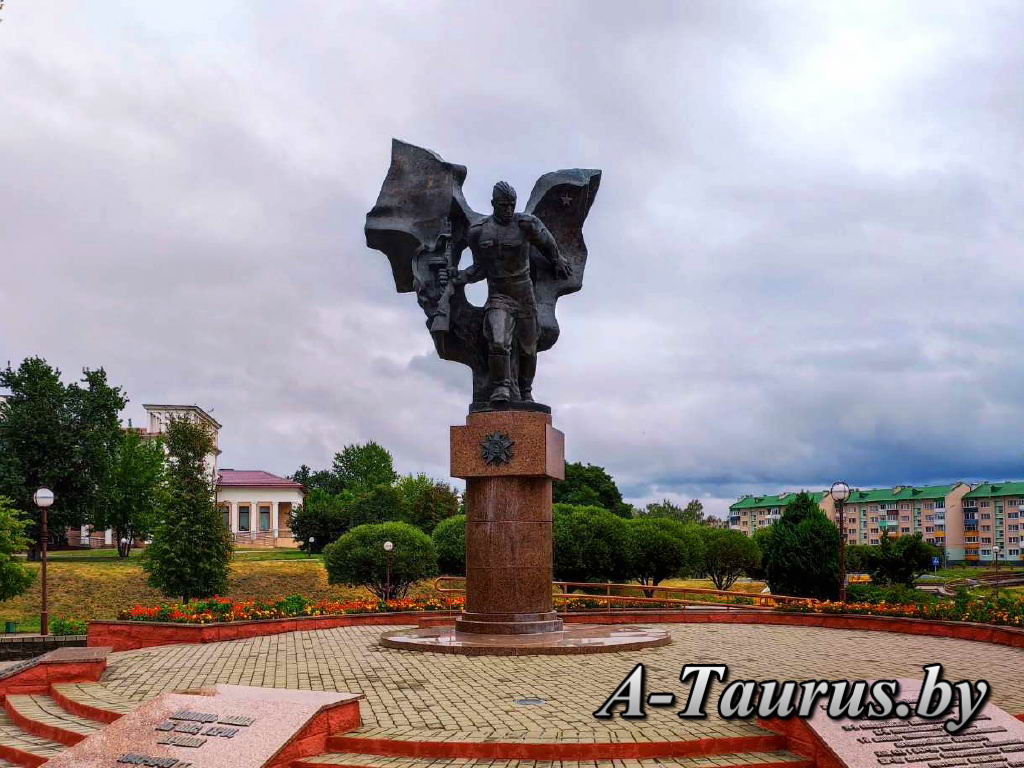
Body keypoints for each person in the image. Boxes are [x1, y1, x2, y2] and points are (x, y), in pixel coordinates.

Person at [446, 181, 571, 403]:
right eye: (504, 205)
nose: (508, 210)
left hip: (524, 295)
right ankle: (501, 388)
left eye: (512, 205)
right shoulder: (478, 231)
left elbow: (547, 242)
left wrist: (557, 259)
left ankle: (525, 390)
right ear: (493, 203)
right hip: (498, 296)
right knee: (497, 341)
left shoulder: (526, 224)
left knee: (528, 348)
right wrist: (460, 276)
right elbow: (479, 268)